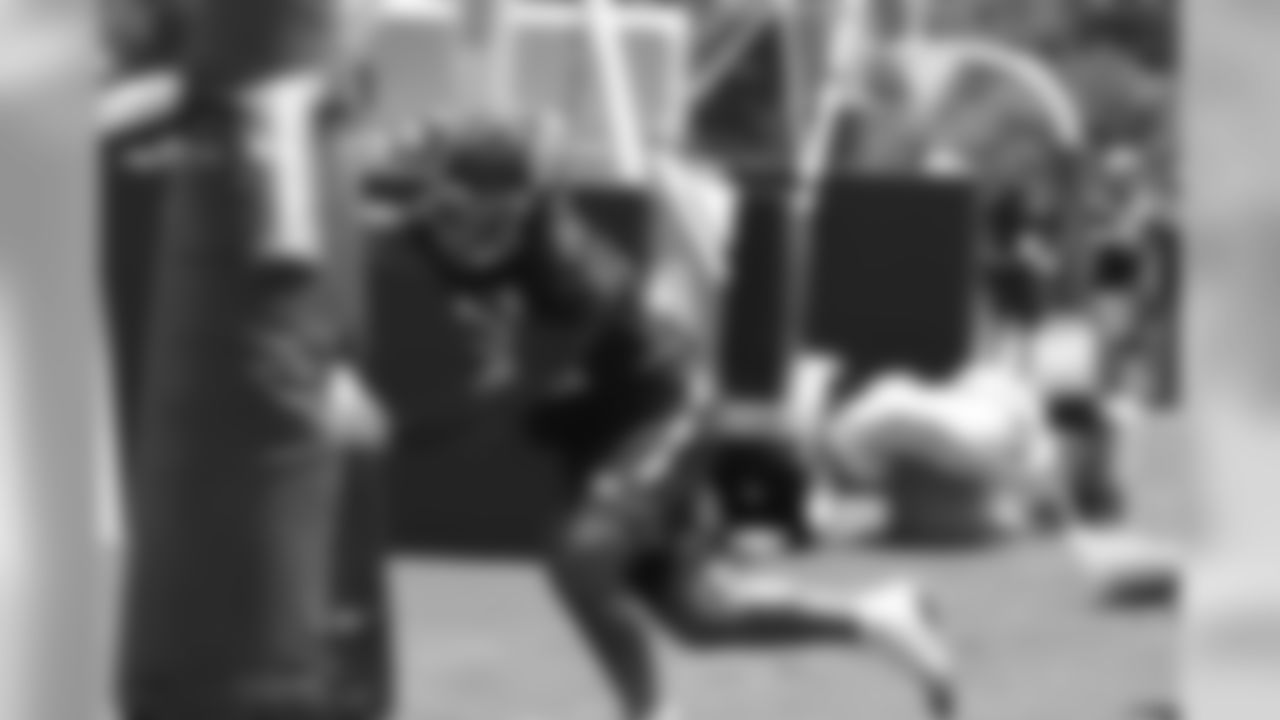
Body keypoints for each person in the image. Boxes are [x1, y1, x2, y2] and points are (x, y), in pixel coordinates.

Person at [363, 115, 957, 720]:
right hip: (596, 433)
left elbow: (509, 396)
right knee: (701, 615)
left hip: (661, 407)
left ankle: (651, 711)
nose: (468, 235)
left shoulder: (569, 271)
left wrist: (398, 431)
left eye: (492, 219)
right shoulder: (419, 232)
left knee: (584, 554)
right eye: (454, 211)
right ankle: (878, 617)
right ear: (433, 194)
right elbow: (362, 240)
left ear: (528, 208)